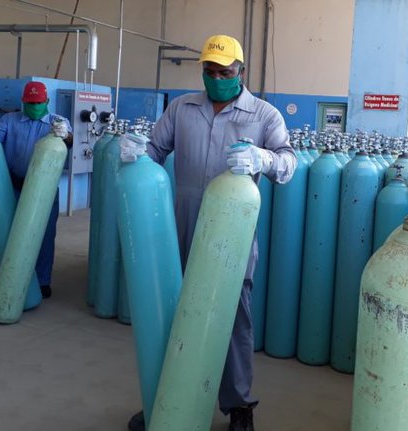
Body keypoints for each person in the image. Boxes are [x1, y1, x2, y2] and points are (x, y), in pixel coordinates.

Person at [123, 34, 296, 431]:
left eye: (225, 72)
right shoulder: (182, 108)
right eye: (210, 71)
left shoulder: (264, 115)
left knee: (234, 317)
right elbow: (154, 149)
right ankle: (165, 395)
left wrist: (263, 157)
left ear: (241, 72)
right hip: (180, 227)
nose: (217, 78)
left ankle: (239, 406)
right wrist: (134, 152)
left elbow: (288, 164)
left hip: (230, 238)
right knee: (171, 310)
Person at [0, 81, 73, 299]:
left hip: (45, 189)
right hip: (13, 185)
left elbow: (69, 140)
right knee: (7, 232)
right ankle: (5, 278)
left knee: (44, 234)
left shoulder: (56, 123)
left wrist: (65, 136)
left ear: (47, 102)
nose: (35, 106)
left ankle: (42, 281)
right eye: (30, 103)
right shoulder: (9, 120)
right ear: (23, 102)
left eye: (39, 103)